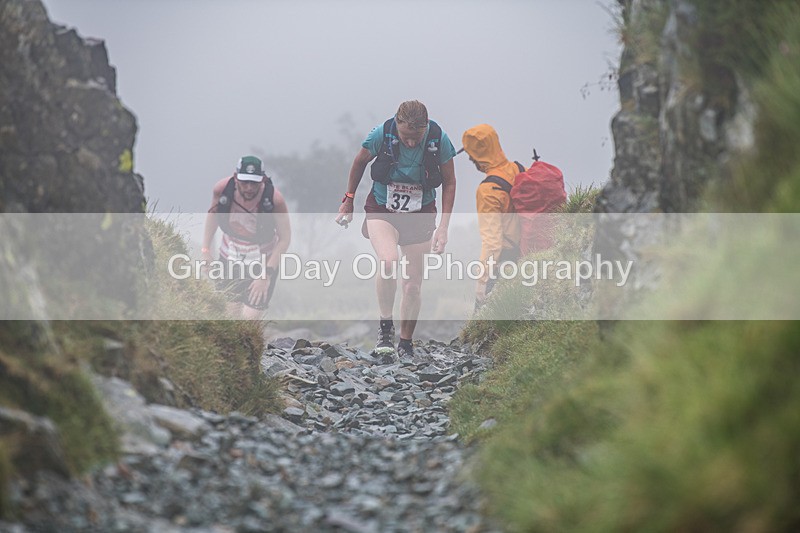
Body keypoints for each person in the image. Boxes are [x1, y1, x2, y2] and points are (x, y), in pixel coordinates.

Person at [335, 101, 456, 360]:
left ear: (425, 128)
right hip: (382, 208)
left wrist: (443, 228)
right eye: (405, 137)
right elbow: (359, 163)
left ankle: (406, 342)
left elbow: (450, 182)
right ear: (397, 127)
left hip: (420, 212)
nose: (411, 143)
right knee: (389, 261)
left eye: (416, 138)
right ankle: (385, 328)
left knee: (412, 286)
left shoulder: (438, 139)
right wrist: (348, 200)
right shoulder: (382, 133)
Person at [202, 155, 291, 319]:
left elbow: (285, 238)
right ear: (236, 178)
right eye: (245, 182)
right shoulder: (222, 190)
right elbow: (213, 216)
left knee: (249, 320)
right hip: (230, 256)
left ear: (263, 180)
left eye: (254, 183)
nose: (249, 188)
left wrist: (266, 275)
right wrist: (206, 250)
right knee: (229, 318)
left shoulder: (274, 199)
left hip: (263, 261)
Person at [461, 124, 522, 309]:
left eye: (472, 154)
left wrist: (482, 281)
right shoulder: (520, 169)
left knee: (484, 324)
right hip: (528, 251)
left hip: (505, 260)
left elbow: (492, 242)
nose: (470, 158)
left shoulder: (488, 190)